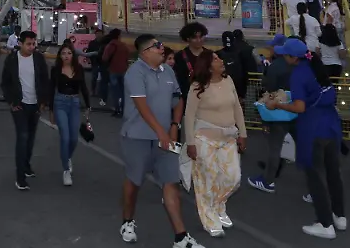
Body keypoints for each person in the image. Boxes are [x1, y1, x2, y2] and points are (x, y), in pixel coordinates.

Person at [120, 35, 204, 248]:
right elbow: (142, 107)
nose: (161, 48)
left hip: (165, 138)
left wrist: (174, 125)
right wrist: (162, 133)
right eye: (156, 45)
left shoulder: (168, 71)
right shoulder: (135, 73)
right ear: (145, 52)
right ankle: (127, 221)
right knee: (134, 181)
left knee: (171, 182)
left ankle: (181, 237)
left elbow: (178, 99)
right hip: (137, 137)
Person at [263, 38, 346, 239]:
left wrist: (277, 105)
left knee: (315, 177)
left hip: (313, 128)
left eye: (285, 54)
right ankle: (339, 216)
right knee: (333, 173)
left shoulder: (299, 74)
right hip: (331, 125)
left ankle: (325, 224)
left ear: (293, 57)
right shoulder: (317, 67)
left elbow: (299, 107)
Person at [184, 53, 246, 238]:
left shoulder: (228, 81)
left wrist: (243, 133)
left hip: (228, 137)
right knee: (208, 180)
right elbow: (189, 116)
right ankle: (209, 218)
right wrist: (190, 143)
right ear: (209, 66)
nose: (222, 61)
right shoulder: (197, 86)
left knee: (233, 178)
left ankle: (218, 205)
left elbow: (237, 108)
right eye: (217, 59)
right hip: (204, 139)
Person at [2, 31, 50, 190]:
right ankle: (20, 177)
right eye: (28, 44)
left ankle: (26, 165)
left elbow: (45, 80)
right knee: (22, 137)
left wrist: (43, 101)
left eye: (33, 44)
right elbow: (5, 83)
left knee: (30, 138)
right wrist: (11, 101)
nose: (31, 47)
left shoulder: (38, 59)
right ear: (20, 44)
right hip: (19, 105)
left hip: (35, 105)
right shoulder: (12, 59)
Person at [248, 34, 294, 193]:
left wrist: (265, 121)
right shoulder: (299, 64)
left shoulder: (275, 67)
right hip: (297, 109)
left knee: (275, 148)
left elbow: (269, 91)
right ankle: (314, 185)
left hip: (278, 112)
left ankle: (268, 181)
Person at [49, 42, 90, 186]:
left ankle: (67, 157)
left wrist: (88, 105)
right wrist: (51, 110)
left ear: (73, 55)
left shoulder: (79, 69)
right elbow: (51, 89)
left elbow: (83, 87)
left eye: (69, 53)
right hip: (60, 103)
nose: (66, 56)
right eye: (63, 53)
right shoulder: (55, 69)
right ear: (60, 56)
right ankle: (66, 170)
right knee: (65, 138)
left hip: (75, 103)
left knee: (73, 139)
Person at [173, 22, 213, 110]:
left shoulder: (211, 55)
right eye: (195, 37)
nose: (199, 40)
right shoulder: (180, 57)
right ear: (188, 39)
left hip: (209, 97)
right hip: (188, 98)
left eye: (201, 36)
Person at [102, 29, 129, 117]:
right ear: (118, 36)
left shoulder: (110, 45)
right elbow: (127, 57)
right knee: (123, 91)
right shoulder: (123, 45)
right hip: (123, 70)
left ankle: (116, 109)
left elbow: (105, 58)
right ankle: (123, 109)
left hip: (113, 70)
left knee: (115, 92)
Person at [318, 0, 345, 78]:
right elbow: (342, 55)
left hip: (324, 64)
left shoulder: (320, 42)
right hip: (337, 65)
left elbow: (317, 53)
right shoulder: (338, 42)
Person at [217, 31, 247, 101]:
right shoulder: (240, 53)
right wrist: (242, 93)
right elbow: (244, 73)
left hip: (224, 89)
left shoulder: (218, 54)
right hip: (235, 89)